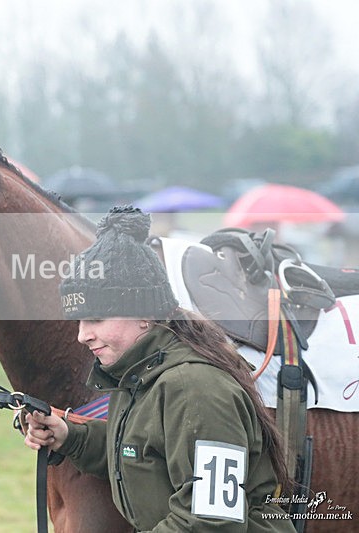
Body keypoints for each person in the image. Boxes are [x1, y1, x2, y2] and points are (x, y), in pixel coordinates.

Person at [24, 206, 295, 531]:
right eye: (79, 321)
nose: (83, 335)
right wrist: (70, 436)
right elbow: (138, 451)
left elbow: (210, 522)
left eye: (95, 318)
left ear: (144, 314)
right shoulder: (139, 374)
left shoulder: (195, 390)